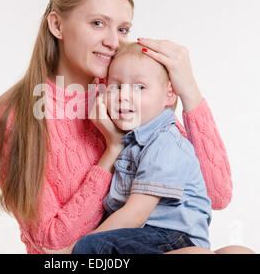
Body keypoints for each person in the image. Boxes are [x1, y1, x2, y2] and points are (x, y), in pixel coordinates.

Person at [0, 0, 252, 254]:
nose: (114, 42)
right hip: (79, 257)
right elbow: (53, 245)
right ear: (57, 25)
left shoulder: (128, 93)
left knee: (238, 252)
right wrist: (111, 152)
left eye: (122, 29)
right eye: (98, 23)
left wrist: (189, 92)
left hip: (140, 247)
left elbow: (216, 194)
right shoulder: (15, 115)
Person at [69, 41, 211, 254]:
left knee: (91, 246)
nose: (124, 96)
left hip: (174, 237)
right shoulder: (131, 139)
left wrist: (68, 251)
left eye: (140, 87)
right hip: (147, 235)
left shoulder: (164, 141)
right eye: (116, 86)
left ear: (169, 94)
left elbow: (134, 216)